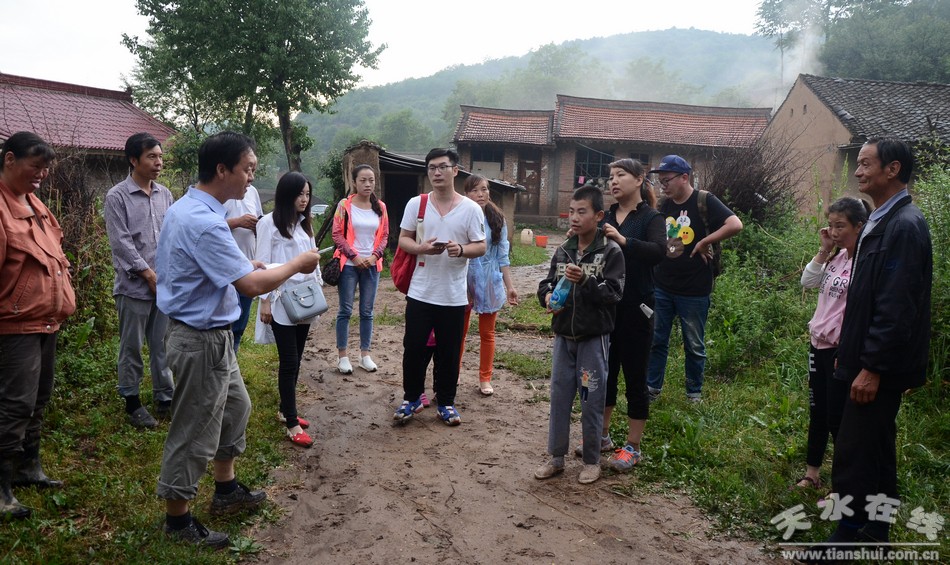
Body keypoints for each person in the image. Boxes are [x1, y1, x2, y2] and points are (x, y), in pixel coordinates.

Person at [155, 132, 321, 548]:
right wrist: (297, 264)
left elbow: (212, 267)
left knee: (235, 408)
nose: (251, 178)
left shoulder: (187, 208)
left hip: (210, 337)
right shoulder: (205, 222)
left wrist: (249, 263)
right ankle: (178, 521)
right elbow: (250, 286)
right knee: (194, 429)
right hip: (200, 340)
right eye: (247, 169)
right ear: (222, 170)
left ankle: (226, 490)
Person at [824, 138, 931, 546]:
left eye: (866, 164)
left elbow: (896, 306)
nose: (857, 171)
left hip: (880, 366)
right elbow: (865, 297)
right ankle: (877, 528)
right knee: (880, 446)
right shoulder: (880, 220)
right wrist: (850, 354)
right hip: (866, 358)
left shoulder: (903, 226)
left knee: (853, 449)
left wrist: (871, 367)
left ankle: (846, 537)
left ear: (893, 169)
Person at [0, 132, 76, 520]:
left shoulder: (35, 204)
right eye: (35, 166)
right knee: (15, 405)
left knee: (38, 400)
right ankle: (1, 489)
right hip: (15, 326)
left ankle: (28, 467)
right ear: (9, 159)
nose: (41, 174)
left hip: (47, 321)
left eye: (45, 168)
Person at [535, 185, 625, 485]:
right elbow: (547, 283)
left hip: (593, 340)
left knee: (591, 398)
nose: (574, 217)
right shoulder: (564, 249)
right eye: (572, 211)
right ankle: (556, 458)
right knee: (560, 396)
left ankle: (591, 460)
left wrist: (586, 280)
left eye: (581, 212)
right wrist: (547, 297)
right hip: (564, 337)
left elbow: (614, 294)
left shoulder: (611, 251)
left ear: (598, 216)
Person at [392, 148, 486, 427]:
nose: (436, 172)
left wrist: (462, 250)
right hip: (420, 290)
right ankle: (411, 398)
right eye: (431, 167)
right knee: (413, 348)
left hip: (454, 294)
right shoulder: (417, 204)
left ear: (455, 170)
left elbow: (481, 246)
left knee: (449, 351)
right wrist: (421, 248)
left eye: (442, 167)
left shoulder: (470, 209)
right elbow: (404, 239)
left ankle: (446, 402)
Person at [587, 159, 667, 472]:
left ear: (639, 179)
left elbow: (658, 252)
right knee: (604, 374)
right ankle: (602, 436)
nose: (613, 181)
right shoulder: (605, 216)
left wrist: (624, 241)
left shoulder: (651, 217)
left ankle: (633, 446)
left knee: (635, 377)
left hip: (637, 309)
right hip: (605, 309)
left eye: (621, 175)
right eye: (611, 176)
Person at [646, 155, 743, 403]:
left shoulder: (704, 200)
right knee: (657, 339)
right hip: (662, 285)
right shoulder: (664, 205)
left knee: (694, 344)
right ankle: (652, 388)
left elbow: (735, 224)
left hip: (694, 289)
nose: (663, 186)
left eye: (666, 180)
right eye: (660, 181)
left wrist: (704, 242)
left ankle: (693, 393)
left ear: (684, 177)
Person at [794, 197, 868, 490]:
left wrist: (849, 350)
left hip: (841, 350)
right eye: (831, 225)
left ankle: (843, 485)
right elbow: (807, 282)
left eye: (841, 226)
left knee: (838, 418)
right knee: (818, 412)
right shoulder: (837, 258)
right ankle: (812, 474)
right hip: (818, 344)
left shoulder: (865, 262)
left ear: (859, 226)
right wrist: (824, 250)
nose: (834, 232)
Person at [103, 133, 176, 429]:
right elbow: (120, 243)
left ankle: (165, 397)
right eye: (152, 157)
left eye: (160, 157)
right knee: (131, 346)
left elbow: (172, 236)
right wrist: (147, 274)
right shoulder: (117, 197)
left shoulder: (165, 194)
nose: (158, 163)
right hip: (134, 287)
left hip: (164, 285)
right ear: (134, 160)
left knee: (162, 344)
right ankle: (132, 401)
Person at [256, 172, 321, 448]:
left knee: (299, 356)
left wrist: (318, 284)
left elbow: (313, 257)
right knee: (289, 361)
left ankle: (286, 409)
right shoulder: (268, 223)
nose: (304, 199)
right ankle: (292, 424)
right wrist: (265, 300)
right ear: (286, 195)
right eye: (299, 194)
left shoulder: (305, 224)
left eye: (307, 194)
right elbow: (262, 263)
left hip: (305, 298)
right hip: (281, 299)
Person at [460, 174, 518, 396]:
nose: (480, 194)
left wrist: (509, 286)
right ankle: (453, 373)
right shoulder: (461, 217)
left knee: (487, 333)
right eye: (475, 190)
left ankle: (485, 378)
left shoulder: (497, 219)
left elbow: (503, 257)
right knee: (459, 332)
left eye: (484, 189)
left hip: (489, 281)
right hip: (463, 281)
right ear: (466, 194)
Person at [331, 164, 389, 374]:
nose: (367, 184)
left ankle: (365, 355)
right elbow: (337, 234)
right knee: (345, 310)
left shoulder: (380, 207)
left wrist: (374, 256)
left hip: (372, 265)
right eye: (363, 180)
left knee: (367, 311)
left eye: (371, 180)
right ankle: (343, 356)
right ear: (354, 182)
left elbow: (384, 235)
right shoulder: (344, 205)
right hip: (348, 265)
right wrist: (354, 257)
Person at [224, 182, 263, 352]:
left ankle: (234, 355)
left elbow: (260, 220)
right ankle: (225, 356)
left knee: (241, 320)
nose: (251, 176)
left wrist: (257, 226)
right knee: (225, 320)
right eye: (247, 170)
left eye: (253, 170)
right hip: (225, 267)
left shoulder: (252, 191)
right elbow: (206, 225)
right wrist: (237, 222)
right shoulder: (220, 192)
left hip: (248, 265)